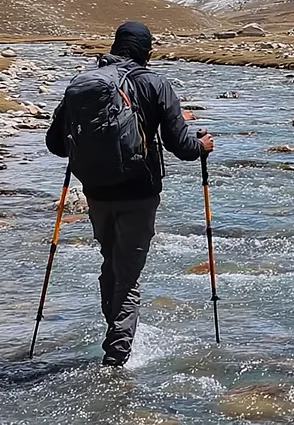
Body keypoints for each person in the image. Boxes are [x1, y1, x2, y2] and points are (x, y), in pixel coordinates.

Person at [45, 21, 214, 366]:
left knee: (111, 265)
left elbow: (54, 145)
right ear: (147, 51)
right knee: (129, 275)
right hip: (140, 192)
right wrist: (202, 146)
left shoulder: (85, 83)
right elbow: (180, 146)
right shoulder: (155, 83)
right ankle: (117, 355)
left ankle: (115, 333)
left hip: (96, 192)